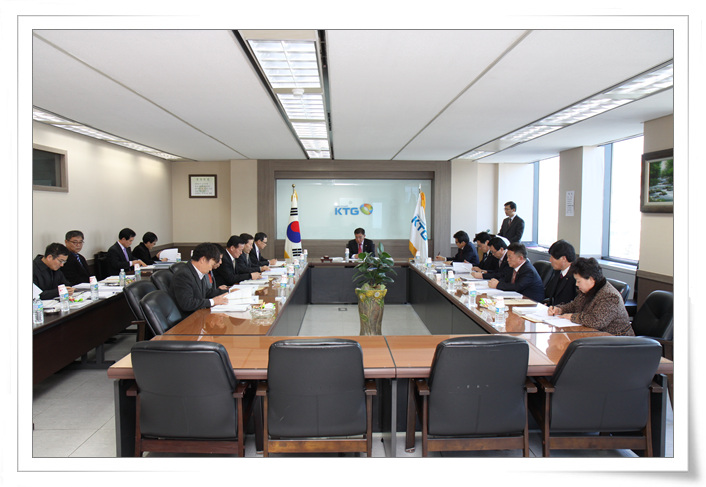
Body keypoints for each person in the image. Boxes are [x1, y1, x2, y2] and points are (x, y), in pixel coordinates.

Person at [548, 257, 634, 336]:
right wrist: (560, 309)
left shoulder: (610, 296)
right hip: (594, 336)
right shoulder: (588, 290)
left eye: (579, 281)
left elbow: (596, 321)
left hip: (617, 340)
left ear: (591, 279)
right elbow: (574, 306)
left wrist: (571, 317)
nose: (576, 284)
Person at [168, 242, 229, 315]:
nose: (210, 269)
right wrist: (212, 301)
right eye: (211, 265)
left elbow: (206, 292)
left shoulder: (197, 271)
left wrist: (228, 292)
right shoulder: (183, 275)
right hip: (189, 318)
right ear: (203, 259)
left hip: (198, 313)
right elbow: (187, 303)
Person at [543, 239, 577, 306]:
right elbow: (551, 295)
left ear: (564, 258)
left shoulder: (576, 276)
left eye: (553, 257)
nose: (550, 260)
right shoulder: (557, 272)